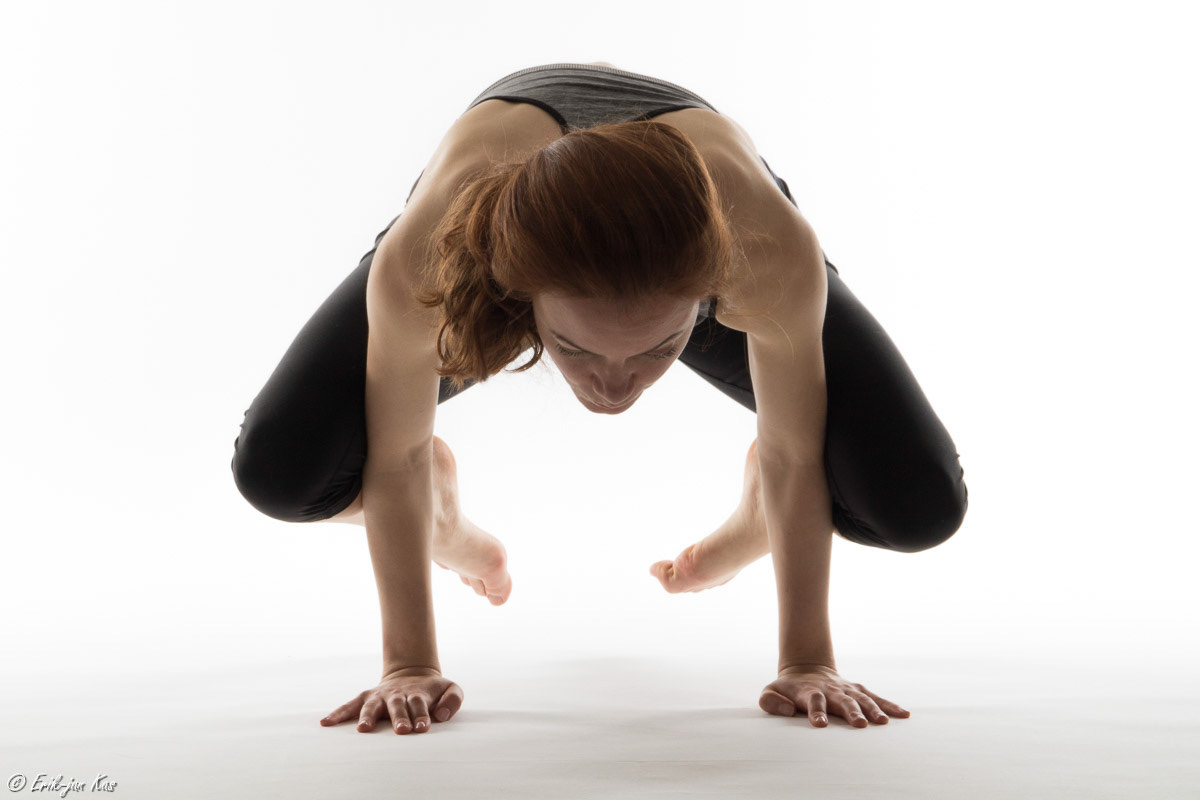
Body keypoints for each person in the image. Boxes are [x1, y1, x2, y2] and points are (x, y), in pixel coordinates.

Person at [230, 61, 969, 736]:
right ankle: (441, 513)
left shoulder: (767, 248)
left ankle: (760, 509)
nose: (614, 390)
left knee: (917, 505)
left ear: (709, 302)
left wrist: (807, 662)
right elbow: (397, 457)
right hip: (495, 229)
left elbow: (793, 450)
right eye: (576, 350)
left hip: (701, 237)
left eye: (655, 352)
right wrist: (409, 666)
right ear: (520, 301)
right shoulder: (431, 255)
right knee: (280, 470)